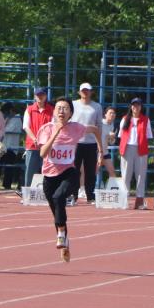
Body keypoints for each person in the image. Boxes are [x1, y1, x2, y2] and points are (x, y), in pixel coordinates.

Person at [38, 97, 99, 262]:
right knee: (57, 211)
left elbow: (95, 130)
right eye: (58, 108)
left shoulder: (76, 128)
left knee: (59, 197)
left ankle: (61, 234)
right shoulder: (46, 129)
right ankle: (64, 240)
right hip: (49, 176)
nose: (61, 111)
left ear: (71, 113)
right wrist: (55, 133)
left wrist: (101, 150)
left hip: (69, 173)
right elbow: (43, 153)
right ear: (54, 111)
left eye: (65, 108)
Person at [71, 83, 104, 204]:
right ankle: (73, 195)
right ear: (79, 92)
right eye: (83, 90)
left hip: (91, 142)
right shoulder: (73, 104)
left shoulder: (97, 106)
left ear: (91, 92)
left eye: (87, 90)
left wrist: (100, 145)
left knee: (90, 171)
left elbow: (99, 126)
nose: (85, 92)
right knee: (74, 170)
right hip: (75, 143)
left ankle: (90, 196)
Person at [118, 97, 152, 210]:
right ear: (131, 107)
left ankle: (139, 201)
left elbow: (148, 136)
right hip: (127, 148)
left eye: (138, 105)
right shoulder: (125, 119)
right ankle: (124, 200)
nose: (135, 107)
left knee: (140, 176)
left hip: (141, 149)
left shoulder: (146, 120)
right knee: (126, 175)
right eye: (134, 105)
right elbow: (120, 135)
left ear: (141, 107)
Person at [22, 87, 53, 187]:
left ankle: (47, 192)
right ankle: (27, 191)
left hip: (46, 146)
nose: (40, 97)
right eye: (38, 95)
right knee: (30, 171)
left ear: (46, 96)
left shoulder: (52, 110)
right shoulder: (29, 109)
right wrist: (34, 139)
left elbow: (53, 127)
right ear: (35, 96)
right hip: (32, 145)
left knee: (47, 172)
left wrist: (45, 141)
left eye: (42, 95)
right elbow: (26, 126)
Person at [95, 106, 119, 188]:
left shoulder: (112, 126)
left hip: (105, 152)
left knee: (112, 172)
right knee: (94, 172)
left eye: (114, 113)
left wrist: (112, 137)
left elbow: (111, 142)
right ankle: (89, 190)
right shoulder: (99, 123)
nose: (112, 115)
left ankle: (110, 190)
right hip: (96, 151)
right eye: (110, 113)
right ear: (105, 114)